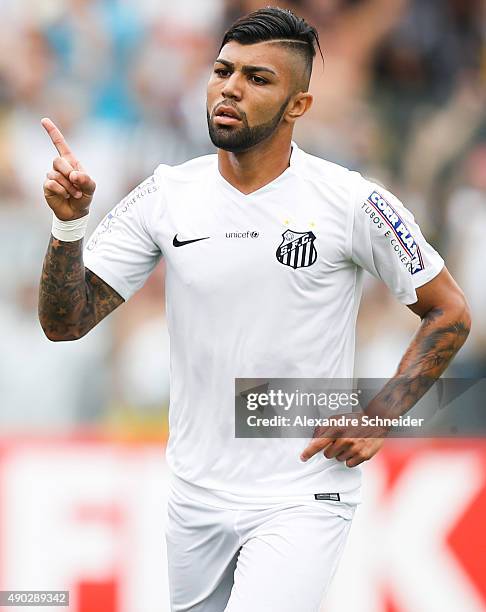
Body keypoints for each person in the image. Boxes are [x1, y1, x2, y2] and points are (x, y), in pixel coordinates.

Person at [38, 7, 471, 612]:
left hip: (303, 491)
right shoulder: (166, 195)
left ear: (299, 106)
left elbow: (449, 311)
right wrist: (69, 226)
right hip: (193, 494)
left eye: (258, 78)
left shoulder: (352, 202)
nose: (230, 88)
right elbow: (65, 323)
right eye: (223, 70)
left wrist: (382, 412)